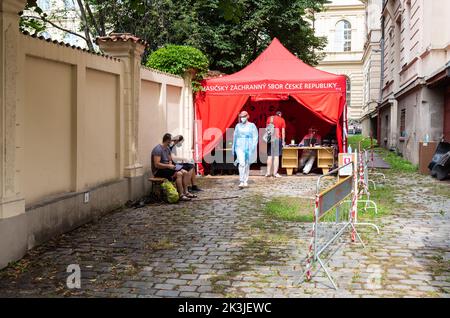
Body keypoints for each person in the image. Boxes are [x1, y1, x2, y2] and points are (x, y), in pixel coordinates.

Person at [151, 133, 196, 201]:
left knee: (185, 172)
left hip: (167, 168)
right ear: (167, 140)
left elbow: (170, 160)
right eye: (171, 141)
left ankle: (186, 192)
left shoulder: (168, 148)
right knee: (179, 174)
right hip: (159, 170)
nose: (172, 142)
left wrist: (171, 165)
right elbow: (157, 164)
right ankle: (181, 195)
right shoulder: (158, 149)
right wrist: (169, 166)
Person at [232, 111, 258, 189]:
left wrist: (253, 146)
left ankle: (245, 180)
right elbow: (235, 136)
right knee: (242, 163)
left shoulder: (252, 125)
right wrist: (233, 147)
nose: (242, 118)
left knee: (247, 164)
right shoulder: (238, 126)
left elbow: (255, 136)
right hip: (239, 146)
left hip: (248, 146)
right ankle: (241, 180)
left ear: (247, 116)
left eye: (244, 116)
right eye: (241, 117)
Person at [266, 110, 286, 177]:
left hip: (270, 138)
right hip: (277, 138)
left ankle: (268, 172)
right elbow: (283, 132)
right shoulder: (282, 120)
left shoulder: (269, 118)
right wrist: (283, 141)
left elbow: (267, 129)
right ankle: (275, 173)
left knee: (270, 156)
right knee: (276, 156)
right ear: (280, 114)